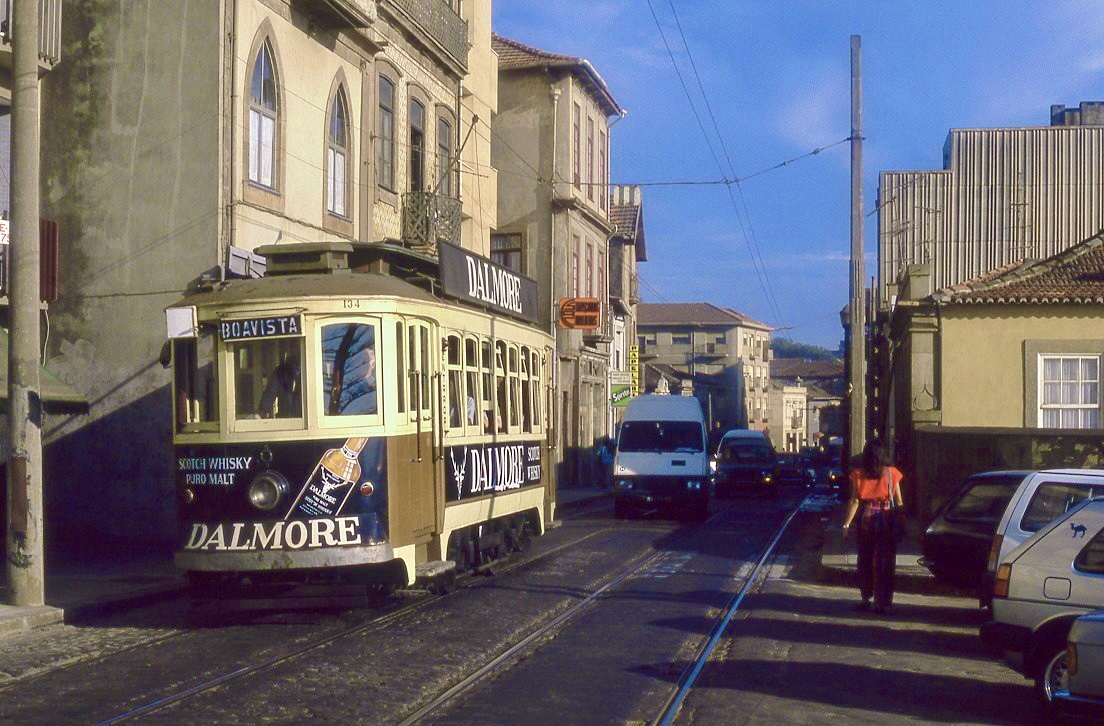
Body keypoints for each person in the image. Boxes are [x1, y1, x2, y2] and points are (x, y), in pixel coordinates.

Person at [841, 439, 904, 614]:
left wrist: (846, 524)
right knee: (885, 561)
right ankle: (883, 601)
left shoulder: (858, 474)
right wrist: (900, 522)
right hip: (886, 518)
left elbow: (854, 501)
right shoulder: (892, 473)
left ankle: (865, 597)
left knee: (865, 559)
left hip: (867, 518)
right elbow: (898, 501)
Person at [258, 353, 301, 418]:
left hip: (302, 419)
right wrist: (261, 412)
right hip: (286, 419)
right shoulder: (281, 372)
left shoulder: (309, 371)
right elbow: (270, 393)